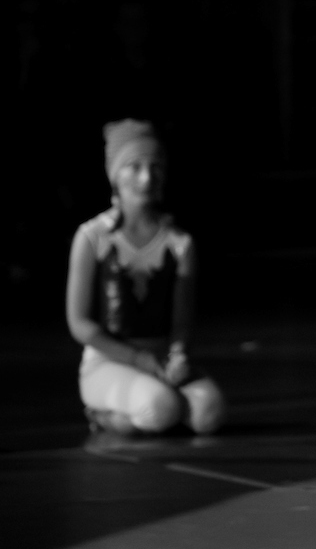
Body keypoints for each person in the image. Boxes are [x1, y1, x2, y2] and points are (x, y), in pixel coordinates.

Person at [65, 120, 226, 435]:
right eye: (134, 167)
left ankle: (158, 412)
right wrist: (137, 359)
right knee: (160, 407)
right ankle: (104, 415)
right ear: (115, 174)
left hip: (159, 359)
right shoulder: (92, 237)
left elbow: (181, 320)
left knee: (209, 413)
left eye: (155, 167)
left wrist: (178, 355)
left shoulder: (179, 243)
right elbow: (79, 323)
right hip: (109, 362)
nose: (146, 177)